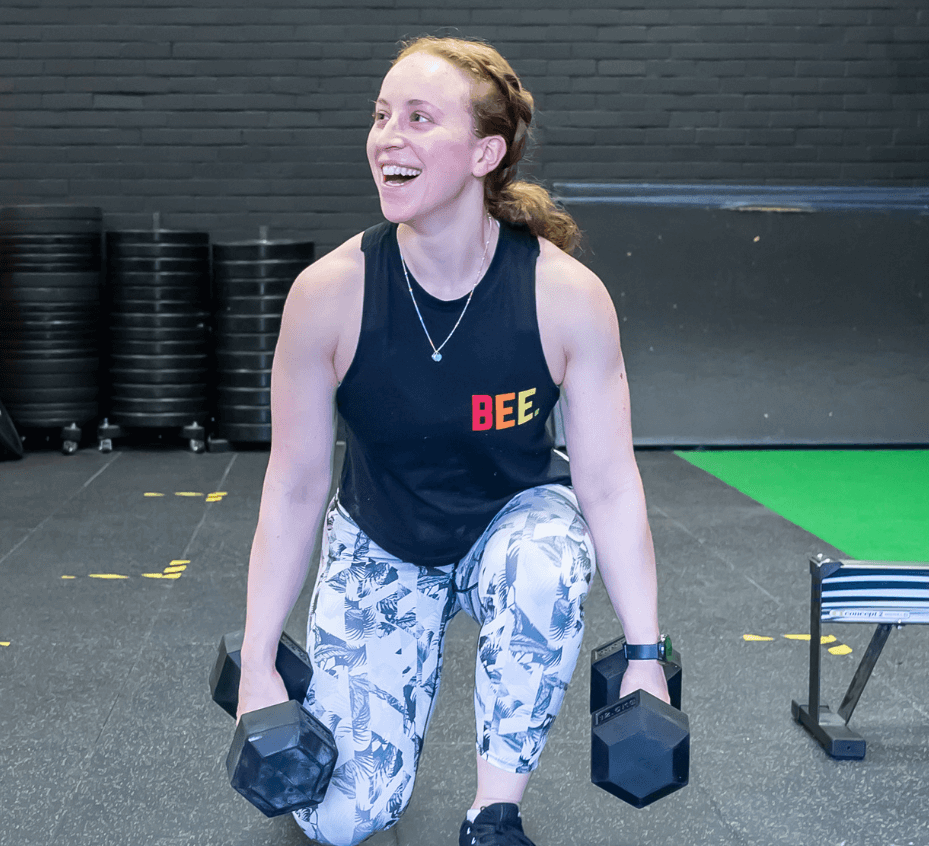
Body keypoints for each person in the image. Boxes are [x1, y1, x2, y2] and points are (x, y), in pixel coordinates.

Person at [237, 35, 668, 846]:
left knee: (545, 563)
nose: (387, 138)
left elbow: (610, 486)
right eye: (380, 116)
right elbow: (293, 486)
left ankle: (493, 812)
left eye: (418, 118)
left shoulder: (564, 296)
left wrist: (646, 652)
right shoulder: (328, 296)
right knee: (342, 820)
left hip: (512, 523)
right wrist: (259, 660)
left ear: (484, 153)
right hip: (383, 537)